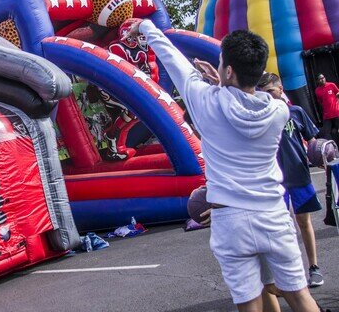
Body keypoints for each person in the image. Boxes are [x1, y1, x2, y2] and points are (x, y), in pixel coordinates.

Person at [123, 19, 319, 312]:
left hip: (230, 221)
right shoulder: (279, 111)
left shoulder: (205, 102)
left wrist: (148, 28)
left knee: (249, 302)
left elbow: (174, 60)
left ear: (227, 69)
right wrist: (223, 83)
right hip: (273, 216)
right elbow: (250, 99)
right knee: (299, 296)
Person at [258, 73, 324, 287]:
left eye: (270, 91)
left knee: (303, 223)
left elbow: (313, 142)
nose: (267, 97)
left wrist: (322, 154)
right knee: (280, 229)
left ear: (280, 89)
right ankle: (288, 274)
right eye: (262, 93)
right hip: (273, 180)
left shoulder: (296, 112)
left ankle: (314, 268)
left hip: (298, 176)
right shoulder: (259, 116)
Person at [315, 73, 339, 145]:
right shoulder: (317, 91)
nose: (322, 79)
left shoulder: (331, 85)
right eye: (320, 79)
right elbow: (320, 101)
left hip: (336, 113)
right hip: (327, 116)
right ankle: (333, 148)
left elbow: (338, 92)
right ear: (317, 81)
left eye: (323, 77)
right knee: (326, 133)